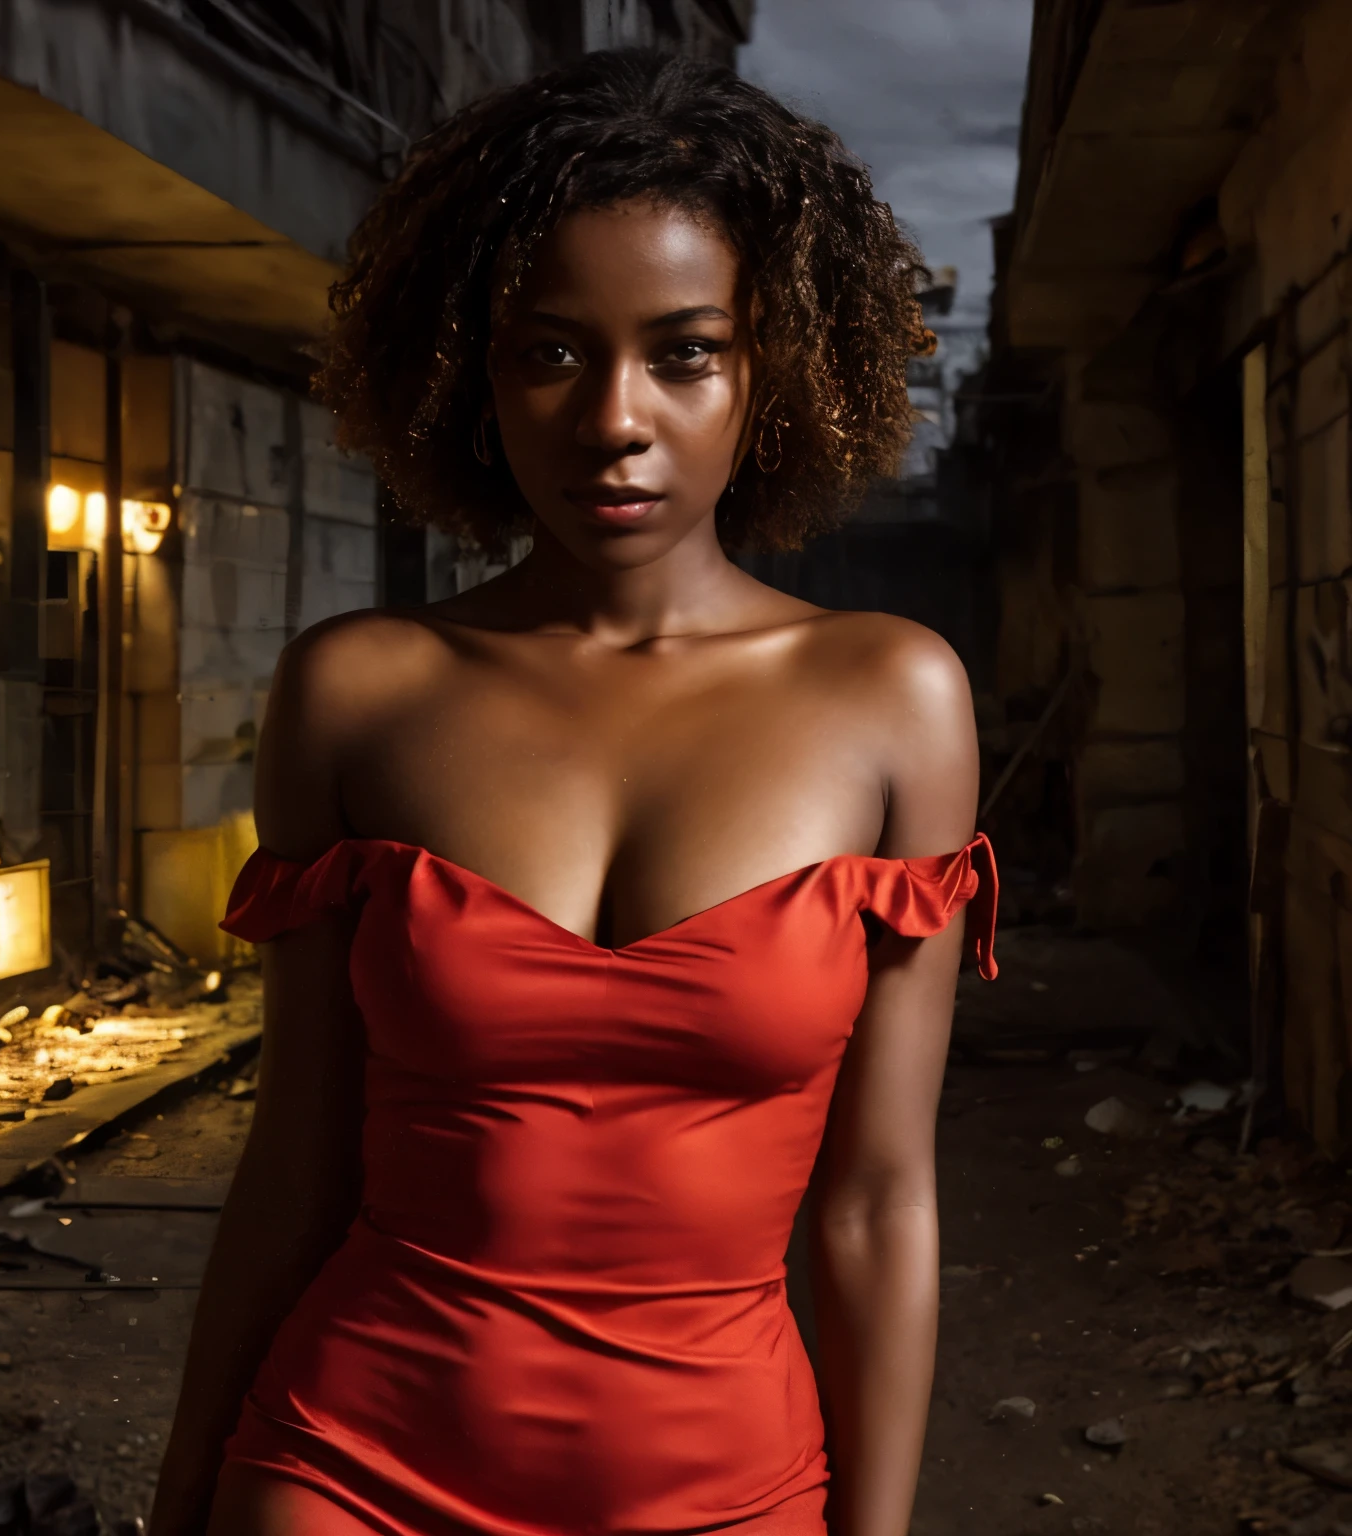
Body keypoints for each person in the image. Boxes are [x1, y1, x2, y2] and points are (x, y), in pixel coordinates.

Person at [149, 48, 996, 1536]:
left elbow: (877, 1205)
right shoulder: (359, 690)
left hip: (727, 1483)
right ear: (469, 372)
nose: (616, 416)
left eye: (684, 353)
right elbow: (295, 1159)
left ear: (772, 368)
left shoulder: (892, 698)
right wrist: (179, 1500)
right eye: (550, 351)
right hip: (350, 1463)